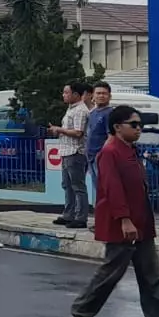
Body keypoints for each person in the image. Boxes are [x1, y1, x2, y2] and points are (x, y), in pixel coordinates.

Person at [67, 106, 159, 317]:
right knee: (111, 271)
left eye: (140, 124)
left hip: (142, 223)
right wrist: (124, 220)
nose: (139, 129)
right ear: (117, 127)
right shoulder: (110, 152)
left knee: (150, 275)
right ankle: (82, 310)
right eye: (134, 124)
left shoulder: (131, 150)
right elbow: (112, 189)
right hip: (122, 224)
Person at [49, 81, 92, 229]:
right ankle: (69, 213)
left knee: (78, 186)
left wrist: (59, 129)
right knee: (67, 185)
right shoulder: (70, 109)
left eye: (66, 92)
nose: (64, 95)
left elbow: (78, 132)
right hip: (66, 151)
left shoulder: (80, 110)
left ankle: (81, 217)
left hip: (75, 152)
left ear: (75, 94)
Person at [84, 81, 113, 201]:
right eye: (98, 93)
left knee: (107, 189)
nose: (101, 96)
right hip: (90, 156)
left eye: (104, 93)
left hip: (101, 158)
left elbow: (111, 136)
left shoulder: (110, 113)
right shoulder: (93, 113)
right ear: (93, 96)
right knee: (98, 190)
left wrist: (101, 155)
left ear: (110, 96)